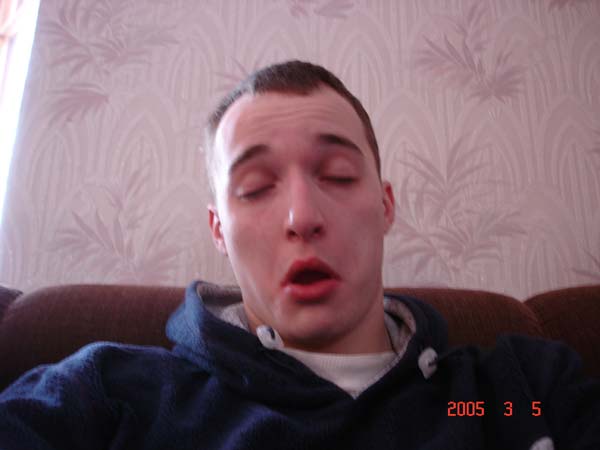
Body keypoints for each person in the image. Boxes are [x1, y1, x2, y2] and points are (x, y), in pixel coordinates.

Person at [1, 60, 599, 449]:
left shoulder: (519, 392)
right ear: (218, 230)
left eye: (337, 175)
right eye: (256, 187)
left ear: (385, 205)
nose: (301, 217)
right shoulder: (107, 395)